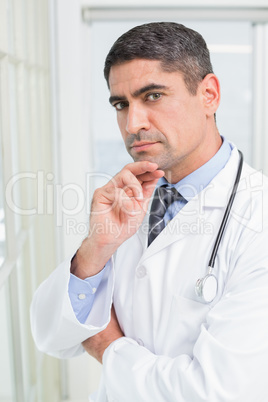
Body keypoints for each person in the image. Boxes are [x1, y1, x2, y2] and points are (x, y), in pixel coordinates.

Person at [30, 22, 268, 401]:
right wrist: (95, 250)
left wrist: (109, 346)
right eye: (121, 104)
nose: (132, 124)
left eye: (153, 96)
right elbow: (50, 335)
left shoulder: (258, 221)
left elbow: (217, 393)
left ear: (209, 95)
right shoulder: (129, 199)